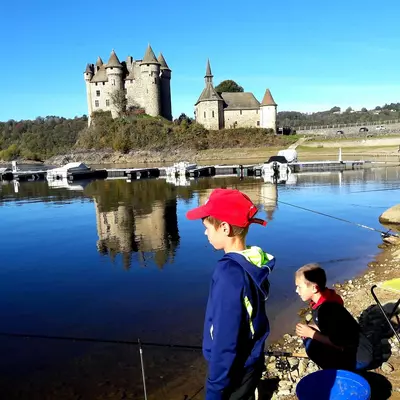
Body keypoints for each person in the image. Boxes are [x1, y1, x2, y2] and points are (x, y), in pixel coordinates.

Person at [186, 188, 275, 400]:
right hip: (251, 359)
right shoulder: (254, 260)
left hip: (235, 368)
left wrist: (215, 388)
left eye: (207, 227)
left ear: (224, 228)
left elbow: (225, 341)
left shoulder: (228, 274)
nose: (205, 233)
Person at [295, 263, 372, 371]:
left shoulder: (326, 311)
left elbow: (338, 343)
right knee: (310, 333)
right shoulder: (329, 297)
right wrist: (316, 327)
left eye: (299, 287)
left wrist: (311, 334)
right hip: (362, 348)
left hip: (358, 358)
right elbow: (335, 327)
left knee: (310, 345)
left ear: (314, 288)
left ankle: (340, 372)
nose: (296, 291)